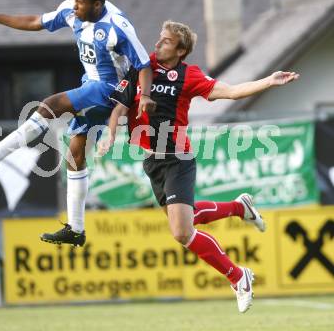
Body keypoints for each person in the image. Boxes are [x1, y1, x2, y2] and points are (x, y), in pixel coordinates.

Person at [99, 20, 299, 313]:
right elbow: (119, 104)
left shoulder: (188, 75)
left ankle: (238, 276)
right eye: (159, 38)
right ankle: (239, 208)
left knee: (181, 232)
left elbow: (230, 92)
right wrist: (110, 133)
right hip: (151, 159)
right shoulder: (144, 65)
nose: (157, 44)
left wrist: (268, 81)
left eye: (166, 41)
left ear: (180, 50)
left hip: (178, 157)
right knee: (185, 220)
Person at [0, 0, 156, 246]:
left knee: (50, 104)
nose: (74, 6)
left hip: (109, 89)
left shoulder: (117, 27)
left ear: (97, 5)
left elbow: (144, 64)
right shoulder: (70, 12)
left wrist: (143, 95)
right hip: (90, 84)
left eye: (80, 2)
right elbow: (34, 21)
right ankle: (76, 229)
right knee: (75, 156)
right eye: (74, 0)